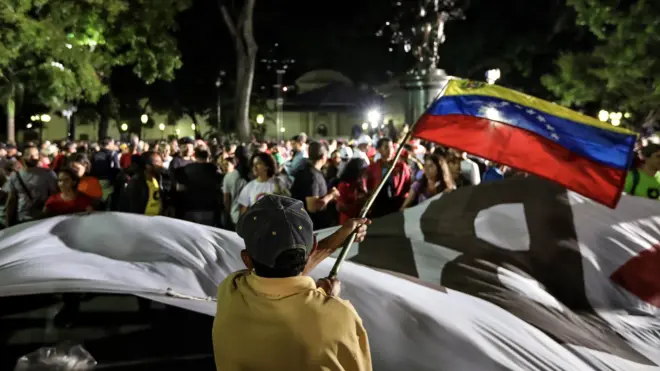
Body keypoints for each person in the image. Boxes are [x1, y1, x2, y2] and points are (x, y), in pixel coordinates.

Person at [212, 195, 372, 371]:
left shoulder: (230, 290)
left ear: (246, 260)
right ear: (312, 248)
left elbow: (281, 273)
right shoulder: (341, 317)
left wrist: (341, 236)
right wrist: (329, 301)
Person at [290, 141, 340, 230]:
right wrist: (331, 195)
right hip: (312, 229)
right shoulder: (312, 176)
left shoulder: (308, 171)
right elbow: (313, 207)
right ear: (323, 156)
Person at [4, 147, 58, 226]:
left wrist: (8, 224)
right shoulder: (49, 174)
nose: (32, 157)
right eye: (29, 155)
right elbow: (55, 196)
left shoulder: (15, 175)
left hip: (25, 219)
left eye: (34, 155)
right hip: (42, 219)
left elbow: (11, 202)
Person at [366, 138, 411, 218]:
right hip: (378, 207)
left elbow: (407, 184)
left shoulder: (401, 166)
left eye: (391, 147)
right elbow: (369, 186)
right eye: (386, 147)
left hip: (396, 206)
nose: (390, 150)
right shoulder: (373, 168)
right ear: (379, 150)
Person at [120, 151, 167, 215]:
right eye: (158, 162)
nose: (161, 165)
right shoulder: (136, 183)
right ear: (148, 166)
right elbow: (132, 208)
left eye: (161, 161)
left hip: (157, 219)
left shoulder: (158, 178)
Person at [222, 146, 250, 228]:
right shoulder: (254, 176)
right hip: (252, 217)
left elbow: (226, 200)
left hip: (235, 217)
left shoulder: (229, 177)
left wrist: (228, 213)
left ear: (236, 158)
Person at [336, 158, 369, 225]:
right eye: (362, 171)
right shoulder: (344, 185)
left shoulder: (363, 182)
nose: (364, 174)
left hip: (361, 220)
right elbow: (340, 207)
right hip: (348, 222)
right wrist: (355, 204)